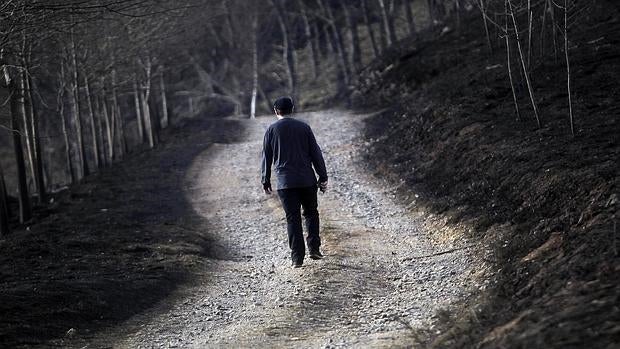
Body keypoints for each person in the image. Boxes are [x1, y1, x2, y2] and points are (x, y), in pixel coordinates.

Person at [261, 96, 328, 268]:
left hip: (285, 183)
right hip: (307, 180)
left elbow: (266, 157)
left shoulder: (271, 130)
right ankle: (314, 249)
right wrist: (323, 176)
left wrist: (265, 179)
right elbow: (316, 153)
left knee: (293, 219)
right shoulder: (304, 128)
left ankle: (297, 258)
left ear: (276, 111)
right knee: (311, 213)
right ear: (293, 109)